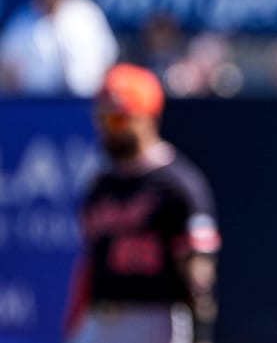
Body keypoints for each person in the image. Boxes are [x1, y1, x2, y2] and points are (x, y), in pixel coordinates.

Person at [64, 63, 221, 343]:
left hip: (155, 319)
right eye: (102, 119)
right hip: (101, 319)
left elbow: (198, 275)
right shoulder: (101, 184)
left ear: (145, 118)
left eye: (116, 119)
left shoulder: (177, 184)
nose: (107, 130)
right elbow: (90, 265)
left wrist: (201, 334)